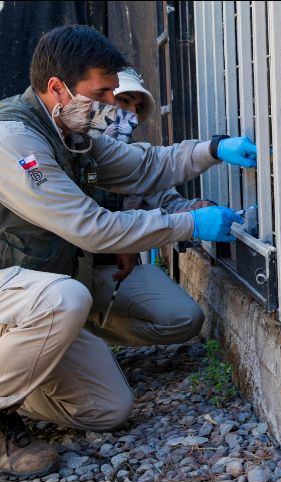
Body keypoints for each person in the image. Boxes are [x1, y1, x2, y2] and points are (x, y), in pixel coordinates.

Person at [0, 25, 257, 478]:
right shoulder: (10, 141)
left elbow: (146, 166)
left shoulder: (69, 132)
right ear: (57, 88)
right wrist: (189, 223)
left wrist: (214, 149)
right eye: (101, 92)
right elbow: (92, 230)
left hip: (25, 298)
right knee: (66, 299)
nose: (109, 105)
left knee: (108, 409)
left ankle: (1, 377)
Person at [78, 68, 214, 347]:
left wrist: (197, 211)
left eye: (137, 108)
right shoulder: (70, 150)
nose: (131, 114)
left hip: (111, 272)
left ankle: (92, 334)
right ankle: (69, 337)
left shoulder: (134, 157)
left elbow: (166, 201)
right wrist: (123, 237)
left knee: (185, 318)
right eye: (123, 100)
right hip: (64, 270)